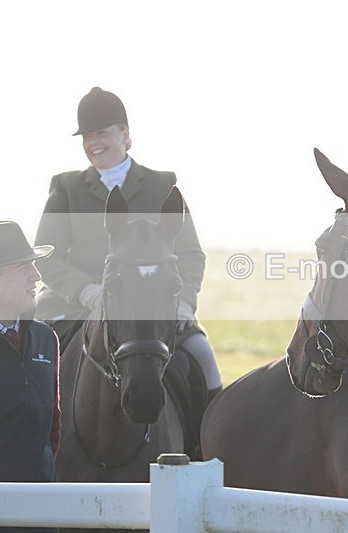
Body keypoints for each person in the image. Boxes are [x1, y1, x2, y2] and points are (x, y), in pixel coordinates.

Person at [33, 88, 222, 450]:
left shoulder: (161, 185)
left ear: (125, 134)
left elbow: (190, 255)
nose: (93, 143)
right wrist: (85, 290)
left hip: (152, 306)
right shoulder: (66, 188)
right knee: (29, 356)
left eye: (101, 133)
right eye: (87, 137)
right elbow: (46, 255)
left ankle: (203, 451)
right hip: (75, 306)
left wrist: (184, 301)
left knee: (202, 355)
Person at [0, 221, 59, 533]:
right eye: (25, 268)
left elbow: (53, 430)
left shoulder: (46, 338)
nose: (37, 277)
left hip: (44, 516)